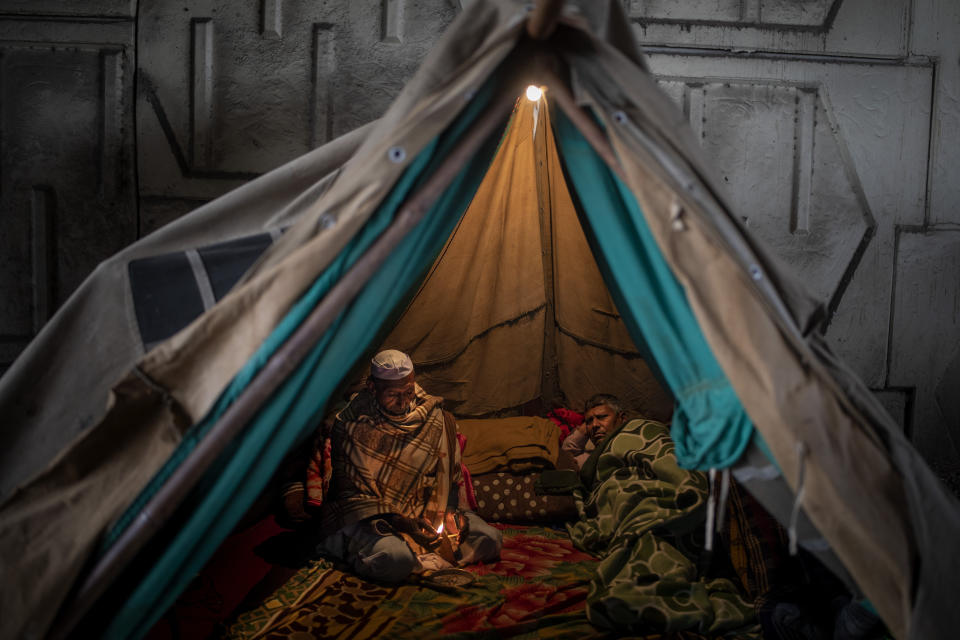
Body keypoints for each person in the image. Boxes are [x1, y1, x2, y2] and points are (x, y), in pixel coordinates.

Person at [317, 349, 501, 582]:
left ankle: (419, 561)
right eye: (393, 394)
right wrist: (400, 522)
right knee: (394, 560)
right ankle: (403, 557)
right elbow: (351, 495)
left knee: (490, 540)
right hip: (376, 519)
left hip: (429, 515)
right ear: (373, 388)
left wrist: (452, 513)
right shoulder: (351, 425)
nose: (404, 402)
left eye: (408, 392)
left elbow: (449, 479)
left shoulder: (436, 418)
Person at [561, 393, 628, 468]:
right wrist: (581, 431)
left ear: (622, 418)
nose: (594, 425)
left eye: (602, 417)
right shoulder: (589, 460)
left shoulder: (636, 444)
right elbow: (566, 457)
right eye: (589, 421)